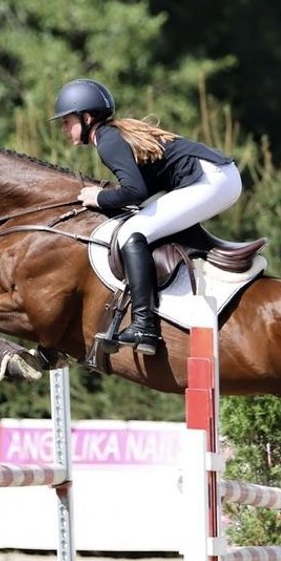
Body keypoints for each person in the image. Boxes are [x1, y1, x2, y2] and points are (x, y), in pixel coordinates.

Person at [51, 77, 242, 355]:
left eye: (67, 121)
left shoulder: (108, 141)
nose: (63, 128)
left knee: (132, 233)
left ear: (87, 117)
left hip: (211, 179)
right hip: (218, 177)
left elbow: (135, 192)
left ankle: (144, 324)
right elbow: (143, 190)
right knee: (143, 223)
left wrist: (99, 197)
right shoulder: (112, 135)